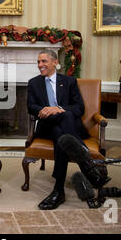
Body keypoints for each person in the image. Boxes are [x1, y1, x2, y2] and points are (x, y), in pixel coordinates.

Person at [27, 50, 89, 210]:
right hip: (46, 125)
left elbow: (79, 108)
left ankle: (58, 189)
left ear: (55, 62)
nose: (40, 65)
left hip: (63, 127)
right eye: (38, 62)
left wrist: (58, 108)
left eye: (44, 61)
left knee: (60, 131)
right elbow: (31, 106)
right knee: (64, 119)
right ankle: (84, 157)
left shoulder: (69, 81)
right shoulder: (33, 82)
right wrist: (46, 110)